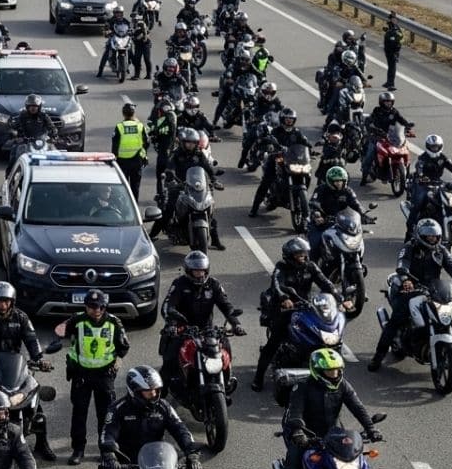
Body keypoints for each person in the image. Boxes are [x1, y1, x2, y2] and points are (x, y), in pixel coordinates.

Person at [261, 348, 380, 469]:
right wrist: (298, 432)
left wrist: (371, 429)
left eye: (337, 370)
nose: (335, 374)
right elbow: (295, 413)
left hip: (333, 434)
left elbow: (358, 407)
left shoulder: (343, 385)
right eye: (330, 371)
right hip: (305, 434)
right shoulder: (302, 387)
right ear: (317, 371)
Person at [367, 219, 452, 371]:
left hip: (433, 290)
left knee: (451, 318)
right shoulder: (410, 248)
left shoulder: (440, 250)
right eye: (429, 236)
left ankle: (449, 353)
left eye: (435, 236)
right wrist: (406, 279)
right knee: (396, 321)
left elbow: (451, 265)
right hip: (409, 289)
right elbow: (402, 263)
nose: (432, 239)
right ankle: (378, 357)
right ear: (420, 236)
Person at [0, 282, 54, 458]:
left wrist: (39, 359)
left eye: (6, 301)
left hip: (14, 368)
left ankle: (42, 443)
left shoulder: (21, 317)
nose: (3, 305)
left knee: (33, 400)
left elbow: (32, 339)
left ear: (12, 301)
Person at [252, 237, 341, 391]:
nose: (302, 256)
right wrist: (284, 298)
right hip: (284, 309)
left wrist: (339, 297)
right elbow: (277, 284)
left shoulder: (310, 266)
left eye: (304, 253)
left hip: (306, 306)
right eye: (298, 253)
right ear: (290, 255)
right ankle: (258, 378)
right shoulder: (281, 267)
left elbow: (325, 282)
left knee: (323, 333)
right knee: (273, 343)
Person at [59, 289, 130, 465]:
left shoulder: (114, 322)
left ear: (104, 307)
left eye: (99, 307)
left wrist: (118, 361)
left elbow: (123, 346)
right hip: (81, 374)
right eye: (92, 307)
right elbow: (60, 331)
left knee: (105, 415)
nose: (96, 310)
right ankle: (78, 449)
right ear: (86, 306)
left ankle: (105, 450)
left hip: (104, 375)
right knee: (79, 413)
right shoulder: (77, 320)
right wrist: (62, 328)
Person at [159, 251, 243, 387]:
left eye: (202, 271)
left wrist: (236, 324)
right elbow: (168, 306)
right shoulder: (179, 284)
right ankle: (162, 390)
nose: (200, 274)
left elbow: (226, 306)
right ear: (188, 271)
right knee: (170, 358)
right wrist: (172, 324)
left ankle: (227, 377)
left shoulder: (214, 284)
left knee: (225, 346)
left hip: (207, 330)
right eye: (196, 271)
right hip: (183, 329)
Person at [405, 134, 452, 248]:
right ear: (428, 147)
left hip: (438, 183)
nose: (434, 149)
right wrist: (421, 176)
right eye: (432, 147)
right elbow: (419, 168)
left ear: (440, 146)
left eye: (436, 147)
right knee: (418, 204)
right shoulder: (423, 158)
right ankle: (408, 234)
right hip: (422, 184)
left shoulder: (443, 158)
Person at [248, 108, 311, 217]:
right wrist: (270, 145)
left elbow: (305, 143)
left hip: (293, 160)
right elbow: (268, 140)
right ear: (282, 119)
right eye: (287, 119)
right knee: (266, 181)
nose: (289, 121)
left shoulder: (297, 132)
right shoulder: (276, 131)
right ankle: (254, 208)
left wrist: (310, 150)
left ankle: (299, 197)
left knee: (307, 174)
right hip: (277, 159)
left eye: (291, 119)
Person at [308, 166, 372, 262]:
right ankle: (313, 267)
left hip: (341, 222)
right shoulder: (321, 189)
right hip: (322, 223)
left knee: (354, 240)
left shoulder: (347, 191)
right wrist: (317, 215)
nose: (339, 183)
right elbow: (314, 203)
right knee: (315, 245)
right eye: (336, 181)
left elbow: (356, 204)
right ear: (330, 181)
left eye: (341, 181)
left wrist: (364, 215)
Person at [361, 92, 413, 184]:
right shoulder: (377, 111)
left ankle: (407, 174)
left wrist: (408, 127)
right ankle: (364, 175)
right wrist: (371, 127)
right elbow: (370, 120)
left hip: (391, 136)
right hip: (377, 136)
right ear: (381, 102)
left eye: (390, 101)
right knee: (370, 154)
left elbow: (401, 120)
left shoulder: (394, 112)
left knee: (404, 149)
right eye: (386, 102)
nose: (388, 103)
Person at [111, 103, 149, 200]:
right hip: (136, 161)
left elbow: (115, 146)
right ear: (133, 114)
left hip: (122, 162)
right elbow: (146, 143)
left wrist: (113, 160)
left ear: (123, 114)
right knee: (135, 187)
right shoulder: (140, 126)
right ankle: (134, 205)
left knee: (123, 187)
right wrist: (144, 156)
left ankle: (124, 206)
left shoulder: (119, 126)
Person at [146, 98, 177, 200]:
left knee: (160, 175)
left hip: (164, 155)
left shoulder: (159, 121)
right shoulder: (177, 119)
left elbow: (149, 131)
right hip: (173, 156)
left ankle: (160, 194)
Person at [96, 6, 132, 78]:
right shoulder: (111, 20)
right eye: (117, 13)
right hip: (114, 38)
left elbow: (130, 27)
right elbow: (105, 28)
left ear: (122, 13)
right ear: (114, 13)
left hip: (123, 38)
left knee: (130, 50)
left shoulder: (125, 20)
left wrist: (132, 31)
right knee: (107, 52)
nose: (118, 14)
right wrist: (106, 31)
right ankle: (100, 70)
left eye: (120, 13)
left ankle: (128, 66)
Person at [382, 12, 402, 90]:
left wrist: (397, 48)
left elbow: (400, 38)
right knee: (391, 67)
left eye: (394, 19)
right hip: (389, 49)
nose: (394, 20)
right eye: (392, 19)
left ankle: (390, 83)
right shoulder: (391, 26)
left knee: (392, 67)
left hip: (394, 50)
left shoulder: (396, 28)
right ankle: (389, 83)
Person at [129, 16, 153, 80]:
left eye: (135, 19)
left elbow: (145, 34)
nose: (134, 20)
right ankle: (137, 75)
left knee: (147, 59)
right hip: (137, 45)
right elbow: (129, 33)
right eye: (134, 19)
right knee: (137, 59)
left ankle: (148, 75)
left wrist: (141, 36)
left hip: (145, 44)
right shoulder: (131, 25)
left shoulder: (142, 24)